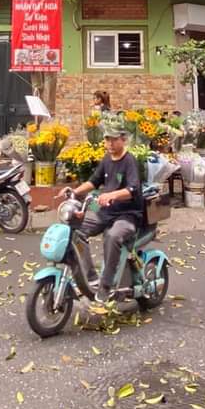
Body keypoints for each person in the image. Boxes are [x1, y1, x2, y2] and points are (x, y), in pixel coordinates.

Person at [61, 127, 144, 312]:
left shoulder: (130, 161)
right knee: (76, 229)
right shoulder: (107, 159)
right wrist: (74, 192)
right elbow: (94, 181)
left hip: (128, 213)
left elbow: (133, 189)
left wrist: (112, 195)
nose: (110, 144)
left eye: (114, 140)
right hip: (105, 209)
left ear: (123, 139)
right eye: (107, 140)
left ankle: (106, 286)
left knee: (112, 236)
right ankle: (91, 278)